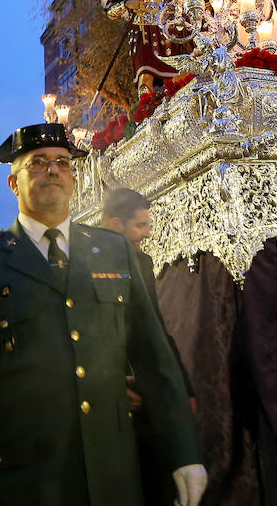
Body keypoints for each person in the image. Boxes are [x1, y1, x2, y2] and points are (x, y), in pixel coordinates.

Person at [0, 123, 205, 506]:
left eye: (62, 162)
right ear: (13, 183)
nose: (52, 170)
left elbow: (155, 357)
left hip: (113, 477)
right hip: (23, 483)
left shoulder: (113, 251)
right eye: (37, 163)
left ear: (74, 179)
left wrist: (183, 451)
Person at [103, 187, 198, 505]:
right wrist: (112, 387)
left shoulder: (141, 262)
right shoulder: (78, 261)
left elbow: (155, 332)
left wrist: (183, 391)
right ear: (116, 224)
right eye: (141, 225)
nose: (148, 232)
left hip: (146, 396)